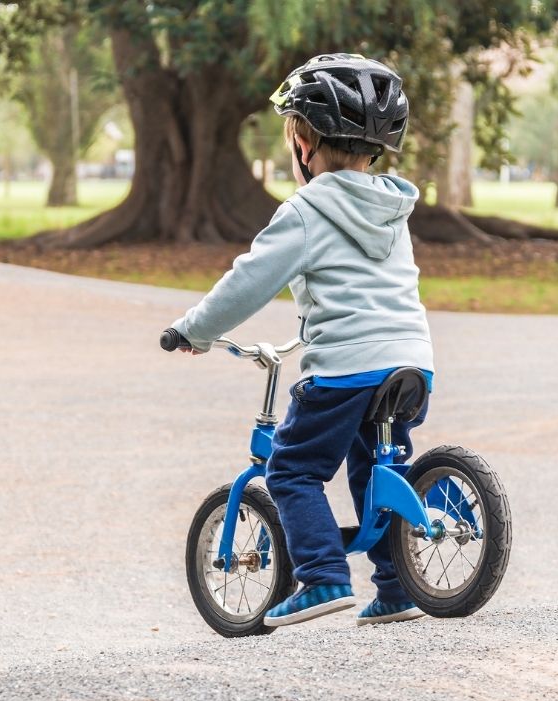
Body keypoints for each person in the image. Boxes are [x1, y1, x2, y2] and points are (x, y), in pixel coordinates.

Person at [168, 53, 434, 627]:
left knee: (291, 468)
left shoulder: (306, 210)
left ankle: (322, 576)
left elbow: (249, 283)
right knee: (376, 470)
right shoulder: (394, 207)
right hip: (412, 364)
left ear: (305, 140)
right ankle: (397, 585)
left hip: (345, 370)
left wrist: (195, 329)